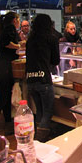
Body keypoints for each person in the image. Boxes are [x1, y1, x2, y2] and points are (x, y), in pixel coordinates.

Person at [26, 14, 60, 142]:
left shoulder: (30, 39)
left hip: (30, 79)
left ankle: (36, 138)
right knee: (47, 111)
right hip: (44, 79)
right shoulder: (51, 38)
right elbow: (56, 60)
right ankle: (40, 140)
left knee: (39, 110)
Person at [0, 12, 22, 134]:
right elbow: (7, 44)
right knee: (4, 97)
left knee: (6, 96)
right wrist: (19, 45)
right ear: (14, 20)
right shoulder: (10, 28)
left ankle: (8, 122)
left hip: (2, 66)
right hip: (4, 67)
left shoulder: (4, 29)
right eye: (18, 19)